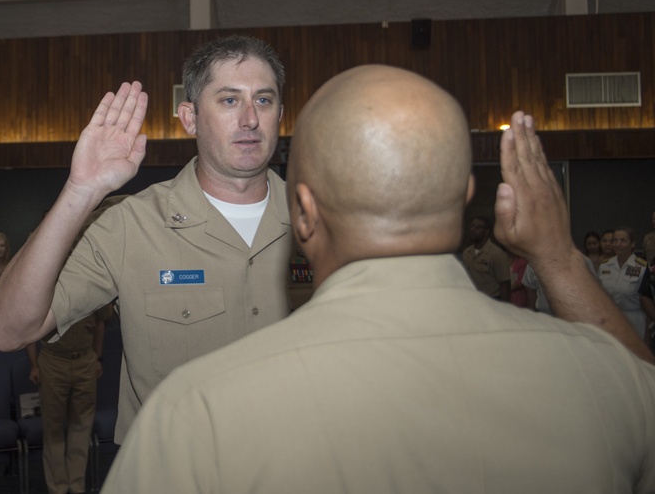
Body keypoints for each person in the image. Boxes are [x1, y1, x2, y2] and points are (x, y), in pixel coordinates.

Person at [102, 65, 655, 493]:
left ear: (304, 214)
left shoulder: (195, 416)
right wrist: (557, 257)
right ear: (466, 196)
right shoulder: (610, 376)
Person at [0, 35, 293, 442]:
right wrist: (80, 191)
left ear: (280, 114)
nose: (250, 118)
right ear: (190, 117)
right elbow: (5, 332)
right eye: (230, 100)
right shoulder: (130, 225)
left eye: (264, 100)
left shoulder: (326, 222)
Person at [28, 305, 112, 494]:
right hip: (53, 360)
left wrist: (98, 358)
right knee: (53, 427)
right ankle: (57, 487)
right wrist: (33, 365)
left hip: (85, 359)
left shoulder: (93, 277)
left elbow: (100, 322)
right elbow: (30, 327)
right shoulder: (46, 282)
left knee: (81, 424)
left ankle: (76, 485)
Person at [597, 227, 648, 339]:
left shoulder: (642, 268)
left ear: (632, 244)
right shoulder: (605, 266)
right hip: (611, 318)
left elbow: (647, 300)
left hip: (634, 319)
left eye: (623, 240)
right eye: (615, 240)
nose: (618, 244)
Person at [461, 216, 511, 301]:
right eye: (471, 226)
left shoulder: (496, 254)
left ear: (486, 231)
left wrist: (503, 308)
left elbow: (505, 284)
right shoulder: (467, 253)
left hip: (491, 300)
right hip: (471, 299)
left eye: (477, 227)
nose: (473, 229)